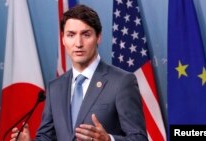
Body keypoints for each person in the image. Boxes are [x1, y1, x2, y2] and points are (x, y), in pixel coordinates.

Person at [11, 4, 148, 141]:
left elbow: (139, 138)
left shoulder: (122, 82)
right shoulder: (55, 87)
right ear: (63, 39)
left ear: (98, 37)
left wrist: (108, 139)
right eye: (71, 35)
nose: (78, 43)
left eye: (86, 34)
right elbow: (47, 137)